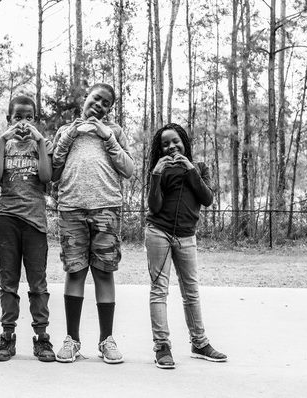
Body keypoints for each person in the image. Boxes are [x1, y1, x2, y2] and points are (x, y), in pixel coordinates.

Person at [51, 83, 134, 364]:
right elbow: (53, 171)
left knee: (103, 273)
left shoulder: (115, 132)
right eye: (96, 98)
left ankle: (106, 340)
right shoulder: (65, 131)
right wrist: (69, 136)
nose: (99, 105)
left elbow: (129, 169)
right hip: (71, 210)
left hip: (106, 209)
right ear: (85, 98)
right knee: (75, 273)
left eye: (106, 103)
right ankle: (72, 339)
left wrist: (108, 137)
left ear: (109, 110)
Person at [145, 123, 227, 369]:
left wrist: (190, 169)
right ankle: (162, 346)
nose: (171, 147)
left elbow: (208, 199)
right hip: (158, 232)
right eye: (165, 144)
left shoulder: (199, 168)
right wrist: (156, 175)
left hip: (186, 236)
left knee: (190, 291)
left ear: (184, 142)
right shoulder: (160, 170)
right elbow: (154, 207)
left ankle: (199, 343)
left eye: (175, 141)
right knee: (159, 290)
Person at [0, 95, 55, 362]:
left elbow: (47, 177)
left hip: (35, 222)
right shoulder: (1, 143)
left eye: (29, 117)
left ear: (35, 120)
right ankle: (7, 336)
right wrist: (4, 140)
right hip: (8, 219)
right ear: (9, 120)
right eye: (18, 117)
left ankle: (42, 337)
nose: (23, 123)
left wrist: (39, 141)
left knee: (38, 283)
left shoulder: (43, 144)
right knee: (8, 283)